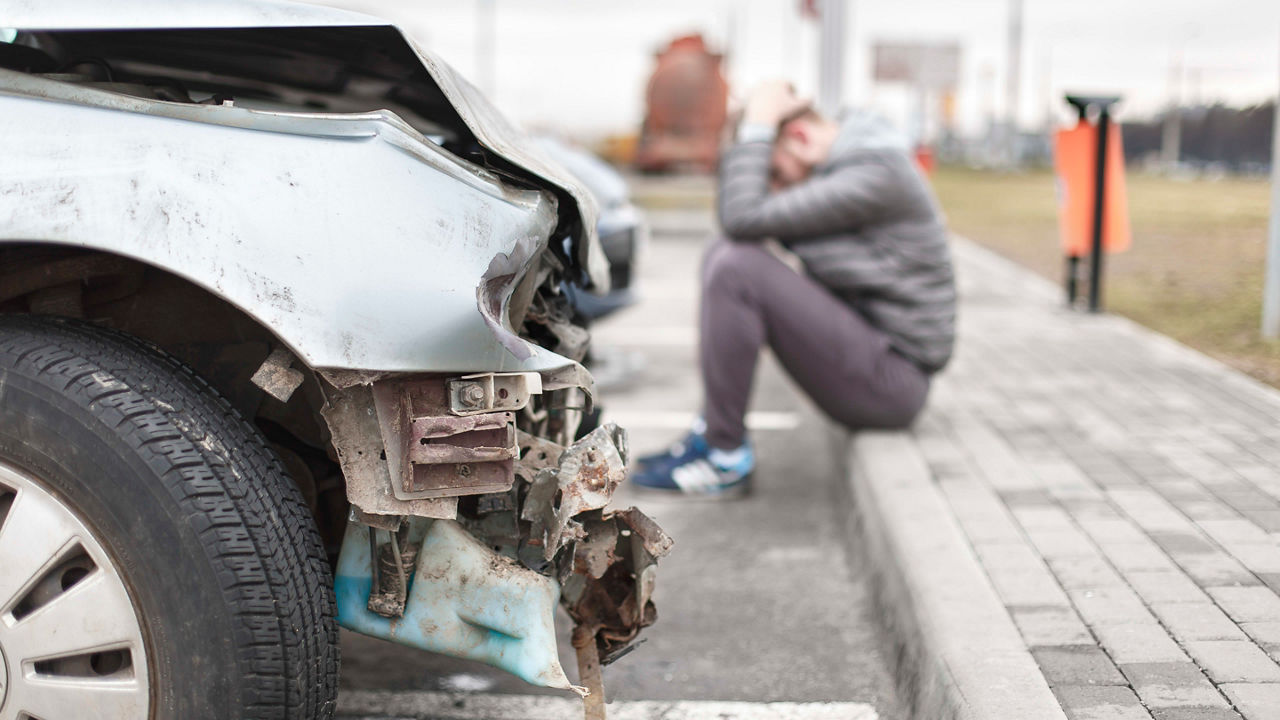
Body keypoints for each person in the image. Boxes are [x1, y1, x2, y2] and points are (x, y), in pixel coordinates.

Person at [631, 80, 956, 498]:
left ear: (800, 138)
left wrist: (759, 124)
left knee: (737, 265)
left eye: (777, 176)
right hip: (873, 357)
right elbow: (742, 221)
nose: (776, 194)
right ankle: (712, 433)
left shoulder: (876, 173)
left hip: (893, 381)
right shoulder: (859, 164)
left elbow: (743, 214)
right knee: (727, 251)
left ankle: (723, 457)